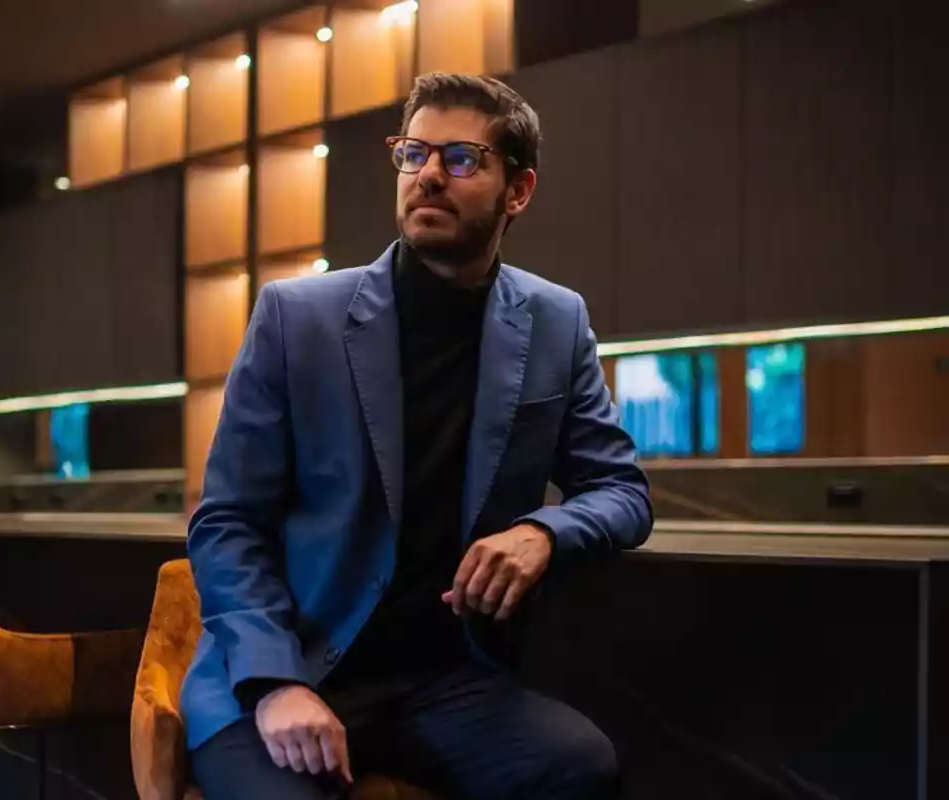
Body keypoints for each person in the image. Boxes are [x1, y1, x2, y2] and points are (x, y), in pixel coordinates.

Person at [181, 72, 653, 800]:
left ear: (517, 191)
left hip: (442, 683)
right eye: (413, 153)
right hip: (289, 665)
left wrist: (546, 532)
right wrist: (277, 685)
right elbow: (227, 522)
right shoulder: (295, 317)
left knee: (580, 767)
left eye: (461, 158)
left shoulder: (556, 322)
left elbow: (621, 490)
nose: (429, 175)